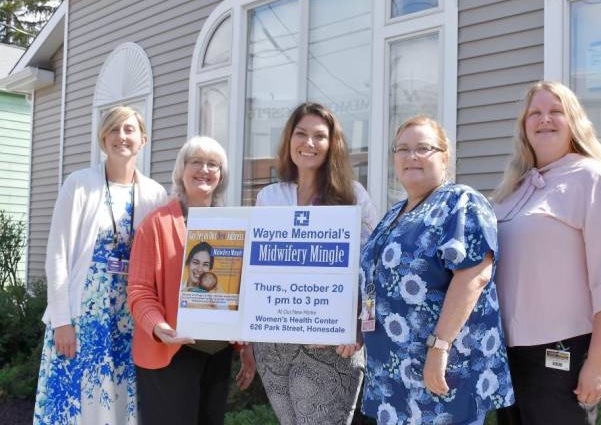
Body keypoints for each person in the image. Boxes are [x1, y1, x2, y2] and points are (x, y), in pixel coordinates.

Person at [492, 81, 601, 425]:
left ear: (575, 121)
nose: (545, 119)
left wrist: (600, 362)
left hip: (561, 355)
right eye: (535, 113)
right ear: (524, 126)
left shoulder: (595, 179)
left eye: (556, 111)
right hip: (507, 355)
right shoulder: (514, 189)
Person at [360, 115, 513, 425]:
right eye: (402, 149)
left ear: (445, 157)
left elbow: (473, 275)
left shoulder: (461, 202)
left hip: (441, 369)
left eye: (423, 148)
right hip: (392, 373)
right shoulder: (393, 214)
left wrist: (439, 348)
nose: (411, 156)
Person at [33, 106, 168, 424]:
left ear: (143, 139)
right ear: (103, 137)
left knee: (120, 403)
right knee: (76, 405)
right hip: (82, 319)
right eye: (114, 129)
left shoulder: (155, 194)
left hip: (130, 320)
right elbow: (57, 254)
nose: (122, 136)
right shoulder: (79, 184)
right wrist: (62, 321)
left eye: (129, 129)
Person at [247, 102, 378, 424]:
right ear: (288, 140)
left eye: (319, 136)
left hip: (332, 342)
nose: (309, 143)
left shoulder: (352, 195)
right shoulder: (270, 197)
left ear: (332, 144)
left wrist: (359, 325)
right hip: (275, 343)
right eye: (301, 134)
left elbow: (373, 267)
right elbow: (257, 269)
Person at [127, 136, 255, 424]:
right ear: (181, 170)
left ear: (221, 176)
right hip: (171, 352)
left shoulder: (232, 226)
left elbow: (242, 290)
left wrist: (247, 344)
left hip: (218, 353)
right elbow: (139, 291)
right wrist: (159, 327)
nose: (204, 169)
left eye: (213, 164)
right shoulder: (155, 225)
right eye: (196, 161)